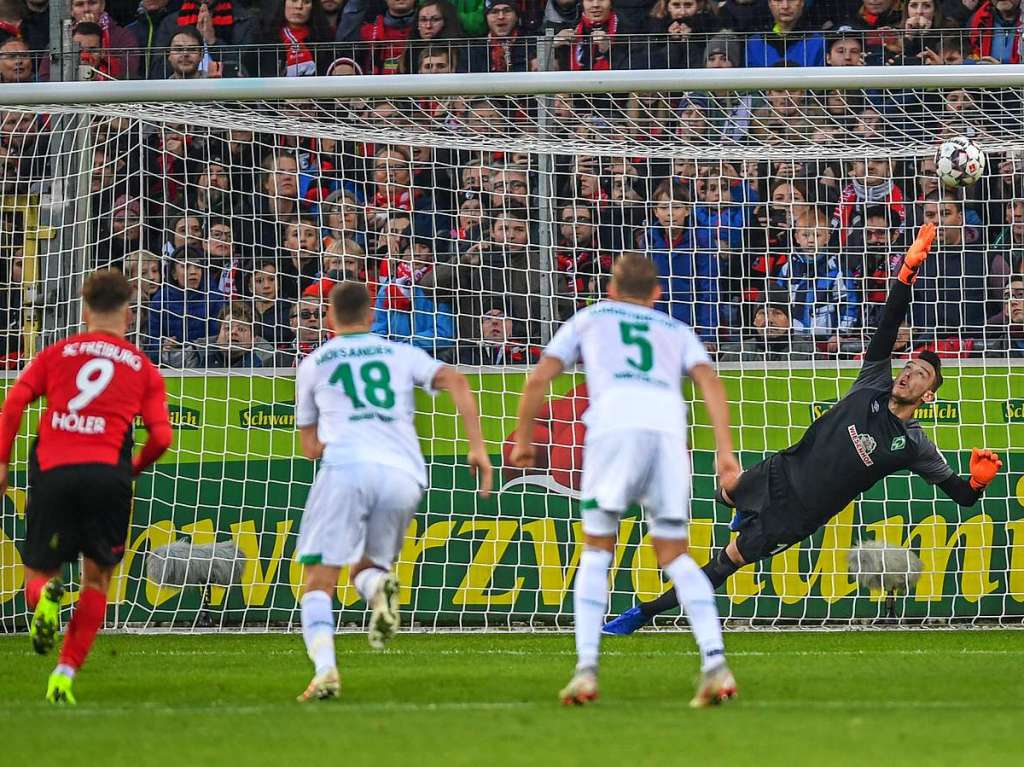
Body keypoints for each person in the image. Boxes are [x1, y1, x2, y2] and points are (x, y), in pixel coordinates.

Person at [603, 224, 1004, 634]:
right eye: (908, 367)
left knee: (724, 563)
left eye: (920, 375)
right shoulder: (872, 384)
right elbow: (887, 325)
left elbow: (961, 495)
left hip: (798, 514)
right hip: (780, 470)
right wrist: (905, 274)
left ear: (929, 396)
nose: (908, 375)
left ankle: (642, 613)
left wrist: (976, 482)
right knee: (725, 491)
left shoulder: (913, 445)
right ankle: (740, 507)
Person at [509, 253, 740, 708]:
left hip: (614, 430)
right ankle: (716, 665)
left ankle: (586, 670)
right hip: (668, 435)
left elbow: (540, 376)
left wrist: (522, 436)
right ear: (656, 294)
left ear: (611, 289)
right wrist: (725, 453)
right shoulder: (675, 329)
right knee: (675, 555)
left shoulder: (591, 317)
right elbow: (709, 380)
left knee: (597, 548)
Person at [293, 280, 492, 700]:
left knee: (318, 580)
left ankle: (326, 670)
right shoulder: (400, 354)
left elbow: (310, 449)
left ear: (330, 317)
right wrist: (477, 448)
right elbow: (456, 380)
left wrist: (346, 434)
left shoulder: (315, 363)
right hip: (404, 474)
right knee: (368, 567)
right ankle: (378, 588)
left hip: (346, 468)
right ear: (372, 316)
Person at [0, 270, 172, 704]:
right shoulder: (141, 365)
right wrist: (133, 468)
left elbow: (15, 402)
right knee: (96, 582)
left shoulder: (56, 353)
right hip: (107, 475)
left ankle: (46, 599)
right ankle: (63, 675)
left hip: (54, 471)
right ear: (128, 314)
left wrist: (1, 462)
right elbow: (163, 437)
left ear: (84, 310)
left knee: (40, 574)